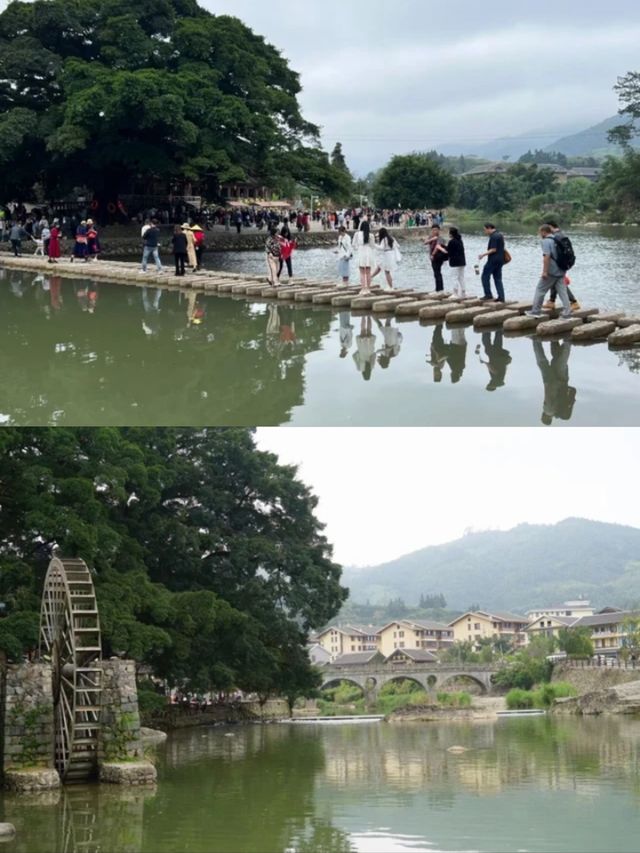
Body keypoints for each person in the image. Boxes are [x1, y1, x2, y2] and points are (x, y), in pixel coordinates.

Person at [526, 225, 572, 319]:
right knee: (563, 292)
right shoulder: (557, 239)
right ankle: (567, 313)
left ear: (544, 232)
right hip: (561, 270)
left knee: (540, 289)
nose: (539, 234)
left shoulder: (546, 241)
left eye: (539, 232)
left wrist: (545, 272)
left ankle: (535, 311)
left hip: (552, 271)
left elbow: (546, 257)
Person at [533, 339, 577, 425]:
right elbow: (548, 395)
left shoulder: (558, 412)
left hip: (562, 380)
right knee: (542, 362)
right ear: (544, 417)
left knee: (561, 356)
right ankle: (535, 340)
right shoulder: (548, 410)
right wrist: (546, 383)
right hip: (551, 381)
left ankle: (564, 338)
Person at [542, 220, 581, 311]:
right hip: (564, 263)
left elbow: (552, 253)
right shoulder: (562, 235)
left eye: (547, 229)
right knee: (556, 282)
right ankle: (551, 301)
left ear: (551, 227)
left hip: (557, 264)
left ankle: (573, 302)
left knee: (559, 283)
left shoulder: (555, 236)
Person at [478, 223, 506, 303]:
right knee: (498, 279)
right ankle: (501, 297)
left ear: (489, 228)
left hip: (493, 260)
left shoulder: (494, 236)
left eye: (485, 230)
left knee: (485, 276)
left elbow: (493, 249)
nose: (485, 231)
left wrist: (483, 255)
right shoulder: (500, 234)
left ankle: (488, 295)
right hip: (500, 260)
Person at [352, 220, 375, 294]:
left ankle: (363, 289)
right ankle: (368, 289)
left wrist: (357, 248)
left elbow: (353, 245)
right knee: (368, 272)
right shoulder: (371, 235)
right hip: (368, 253)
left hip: (361, 252)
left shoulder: (357, 234)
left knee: (362, 272)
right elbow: (373, 246)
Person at [353, 316, 377, 381]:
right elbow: (354, 356)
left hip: (370, 348)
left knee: (369, 330)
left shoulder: (372, 367)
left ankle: (369, 315)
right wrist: (359, 351)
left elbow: (374, 355)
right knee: (362, 329)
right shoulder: (359, 368)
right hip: (362, 348)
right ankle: (363, 315)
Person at [446, 227, 467, 298]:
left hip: (455, 262)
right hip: (462, 262)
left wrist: (440, 248)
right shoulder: (460, 240)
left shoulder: (451, 241)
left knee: (454, 277)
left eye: (448, 232)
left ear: (451, 234)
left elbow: (448, 251)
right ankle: (463, 292)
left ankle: (455, 293)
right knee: (461, 277)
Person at [425, 225, 448, 292]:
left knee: (438, 272)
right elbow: (425, 242)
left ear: (439, 230)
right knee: (436, 273)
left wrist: (432, 255)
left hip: (438, 257)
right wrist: (432, 239)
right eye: (433, 230)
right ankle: (438, 288)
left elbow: (437, 247)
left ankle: (440, 289)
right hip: (432, 257)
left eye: (436, 230)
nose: (434, 231)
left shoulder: (440, 238)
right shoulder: (431, 237)